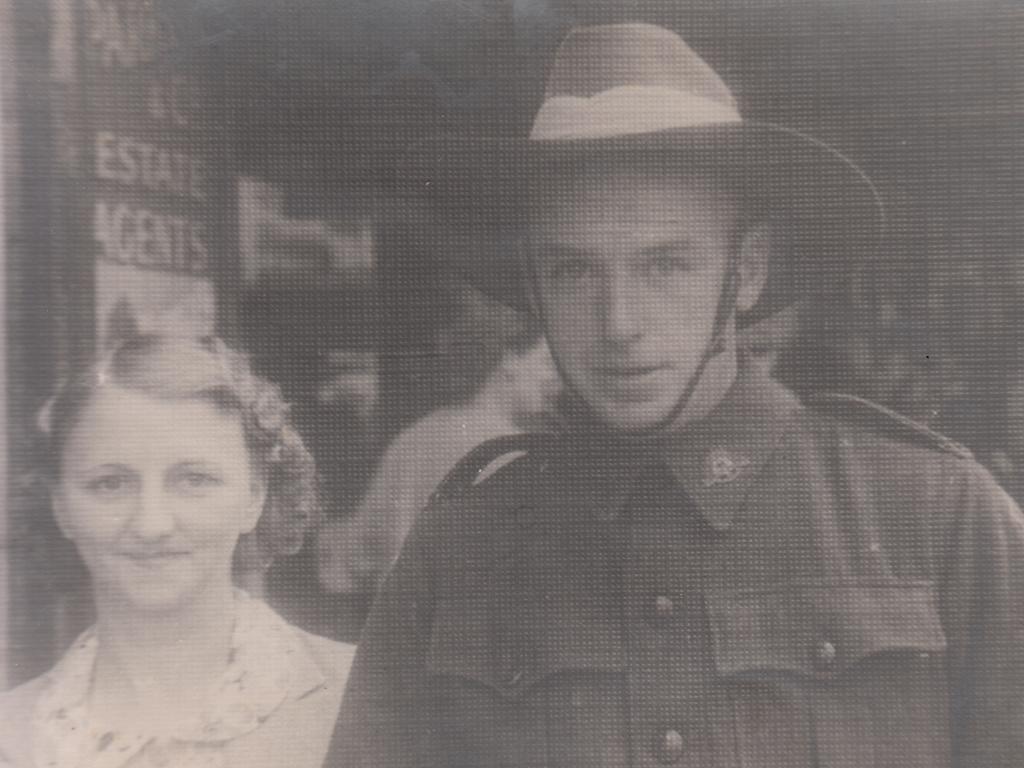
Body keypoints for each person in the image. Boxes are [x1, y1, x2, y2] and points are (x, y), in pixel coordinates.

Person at [330, 23, 1024, 768]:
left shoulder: (936, 517)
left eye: (666, 265)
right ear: (532, 285)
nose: (619, 323)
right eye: (574, 270)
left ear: (746, 271)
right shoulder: (458, 551)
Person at [0, 335, 355, 768]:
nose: (152, 525)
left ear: (255, 497)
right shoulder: (12, 735)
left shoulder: (364, 696)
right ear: (61, 507)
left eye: (194, 480)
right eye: (110, 483)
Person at [317, 304, 560, 595]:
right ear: (508, 362)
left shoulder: (415, 437)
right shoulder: (514, 455)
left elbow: (357, 552)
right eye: (546, 361)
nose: (555, 377)